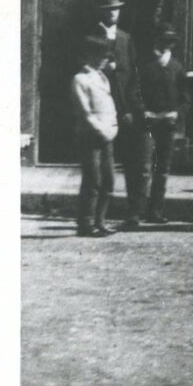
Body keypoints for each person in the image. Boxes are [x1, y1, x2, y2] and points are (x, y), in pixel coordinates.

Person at [87, 0, 145, 226]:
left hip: (124, 110)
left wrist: (131, 108)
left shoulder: (125, 38)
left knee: (133, 162)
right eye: (110, 9)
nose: (115, 13)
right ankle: (99, 214)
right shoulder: (90, 37)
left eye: (117, 9)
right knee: (102, 166)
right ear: (101, 12)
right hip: (101, 110)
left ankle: (134, 212)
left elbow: (133, 76)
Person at [134, 22, 188, 224]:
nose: (167, 45)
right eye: (163, 41)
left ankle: (155, 210)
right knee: (144, 168)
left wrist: (176, 113)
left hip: (167, 124)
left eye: (170, 42)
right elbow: (134, 92)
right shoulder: (144, 65)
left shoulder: (177, 67)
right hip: (147, 124)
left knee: (163, 169)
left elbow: (185, 97)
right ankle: (136, 212)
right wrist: (143, 112)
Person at [71, 36, 120, 238]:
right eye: (100, 56)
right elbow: (85, 111)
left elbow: (108, 106)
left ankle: (101, 220)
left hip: (107, 134)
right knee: (93, 180)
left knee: (108, 179)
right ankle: (85, 223)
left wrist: (113, 128)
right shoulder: (80, 79)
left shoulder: (102, 77)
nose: (104, 60)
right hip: (91, 135)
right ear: (89, 56)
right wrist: (101, 130)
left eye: (106, 57)